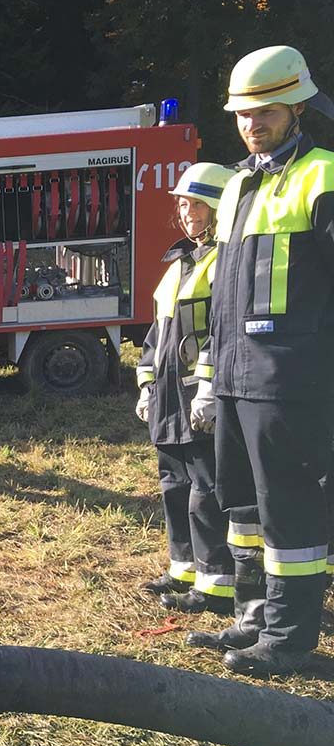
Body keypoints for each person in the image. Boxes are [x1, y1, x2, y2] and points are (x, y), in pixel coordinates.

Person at [187, 46, 334, 676]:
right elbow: (224, 294)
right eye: (244, 114)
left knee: (290, 509)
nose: (253, 124)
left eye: (266, 112)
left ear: (296, 106)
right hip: (236, 377)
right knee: (241, 506)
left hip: (290, 379)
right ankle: (251, 618)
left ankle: (290, 639)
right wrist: (210, 375)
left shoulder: (323, 175)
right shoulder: (240, 183)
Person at [135, 163, 237, 614]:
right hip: (168, 398)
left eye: (196, 202)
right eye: (182, 202)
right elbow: (156, 337)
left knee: (205, 488)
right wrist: (145, 384)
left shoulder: (225, 259)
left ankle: (217, 583)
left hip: (200, 397)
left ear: (218, 207)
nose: (187, 211)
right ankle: (184, 570)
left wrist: (210, 391)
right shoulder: (180, 261)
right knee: (172, 484)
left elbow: (222, 331)